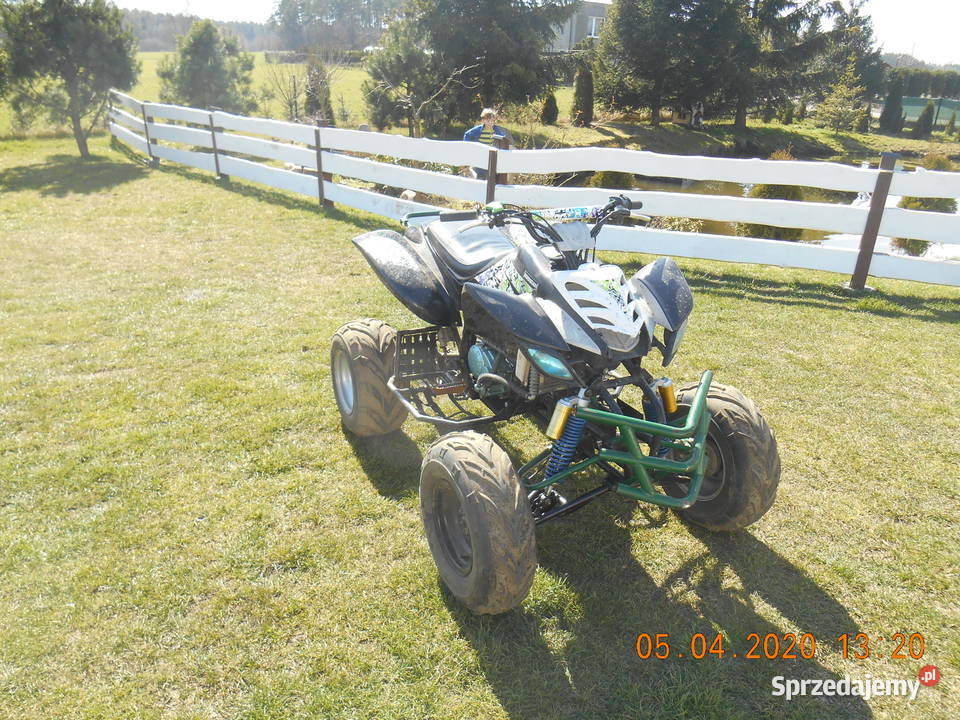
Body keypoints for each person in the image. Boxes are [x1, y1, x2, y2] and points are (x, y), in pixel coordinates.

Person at [463, 108, 512, 179]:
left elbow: (503, 139)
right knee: (479, 173)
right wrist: (468, 147)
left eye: (492, 120)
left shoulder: (496, 130)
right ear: (483, 120)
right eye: (488, 120)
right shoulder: (479, 130)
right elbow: (467, 134)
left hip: (491, 156)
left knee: (490, 174)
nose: (490, 122)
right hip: (480, 155)